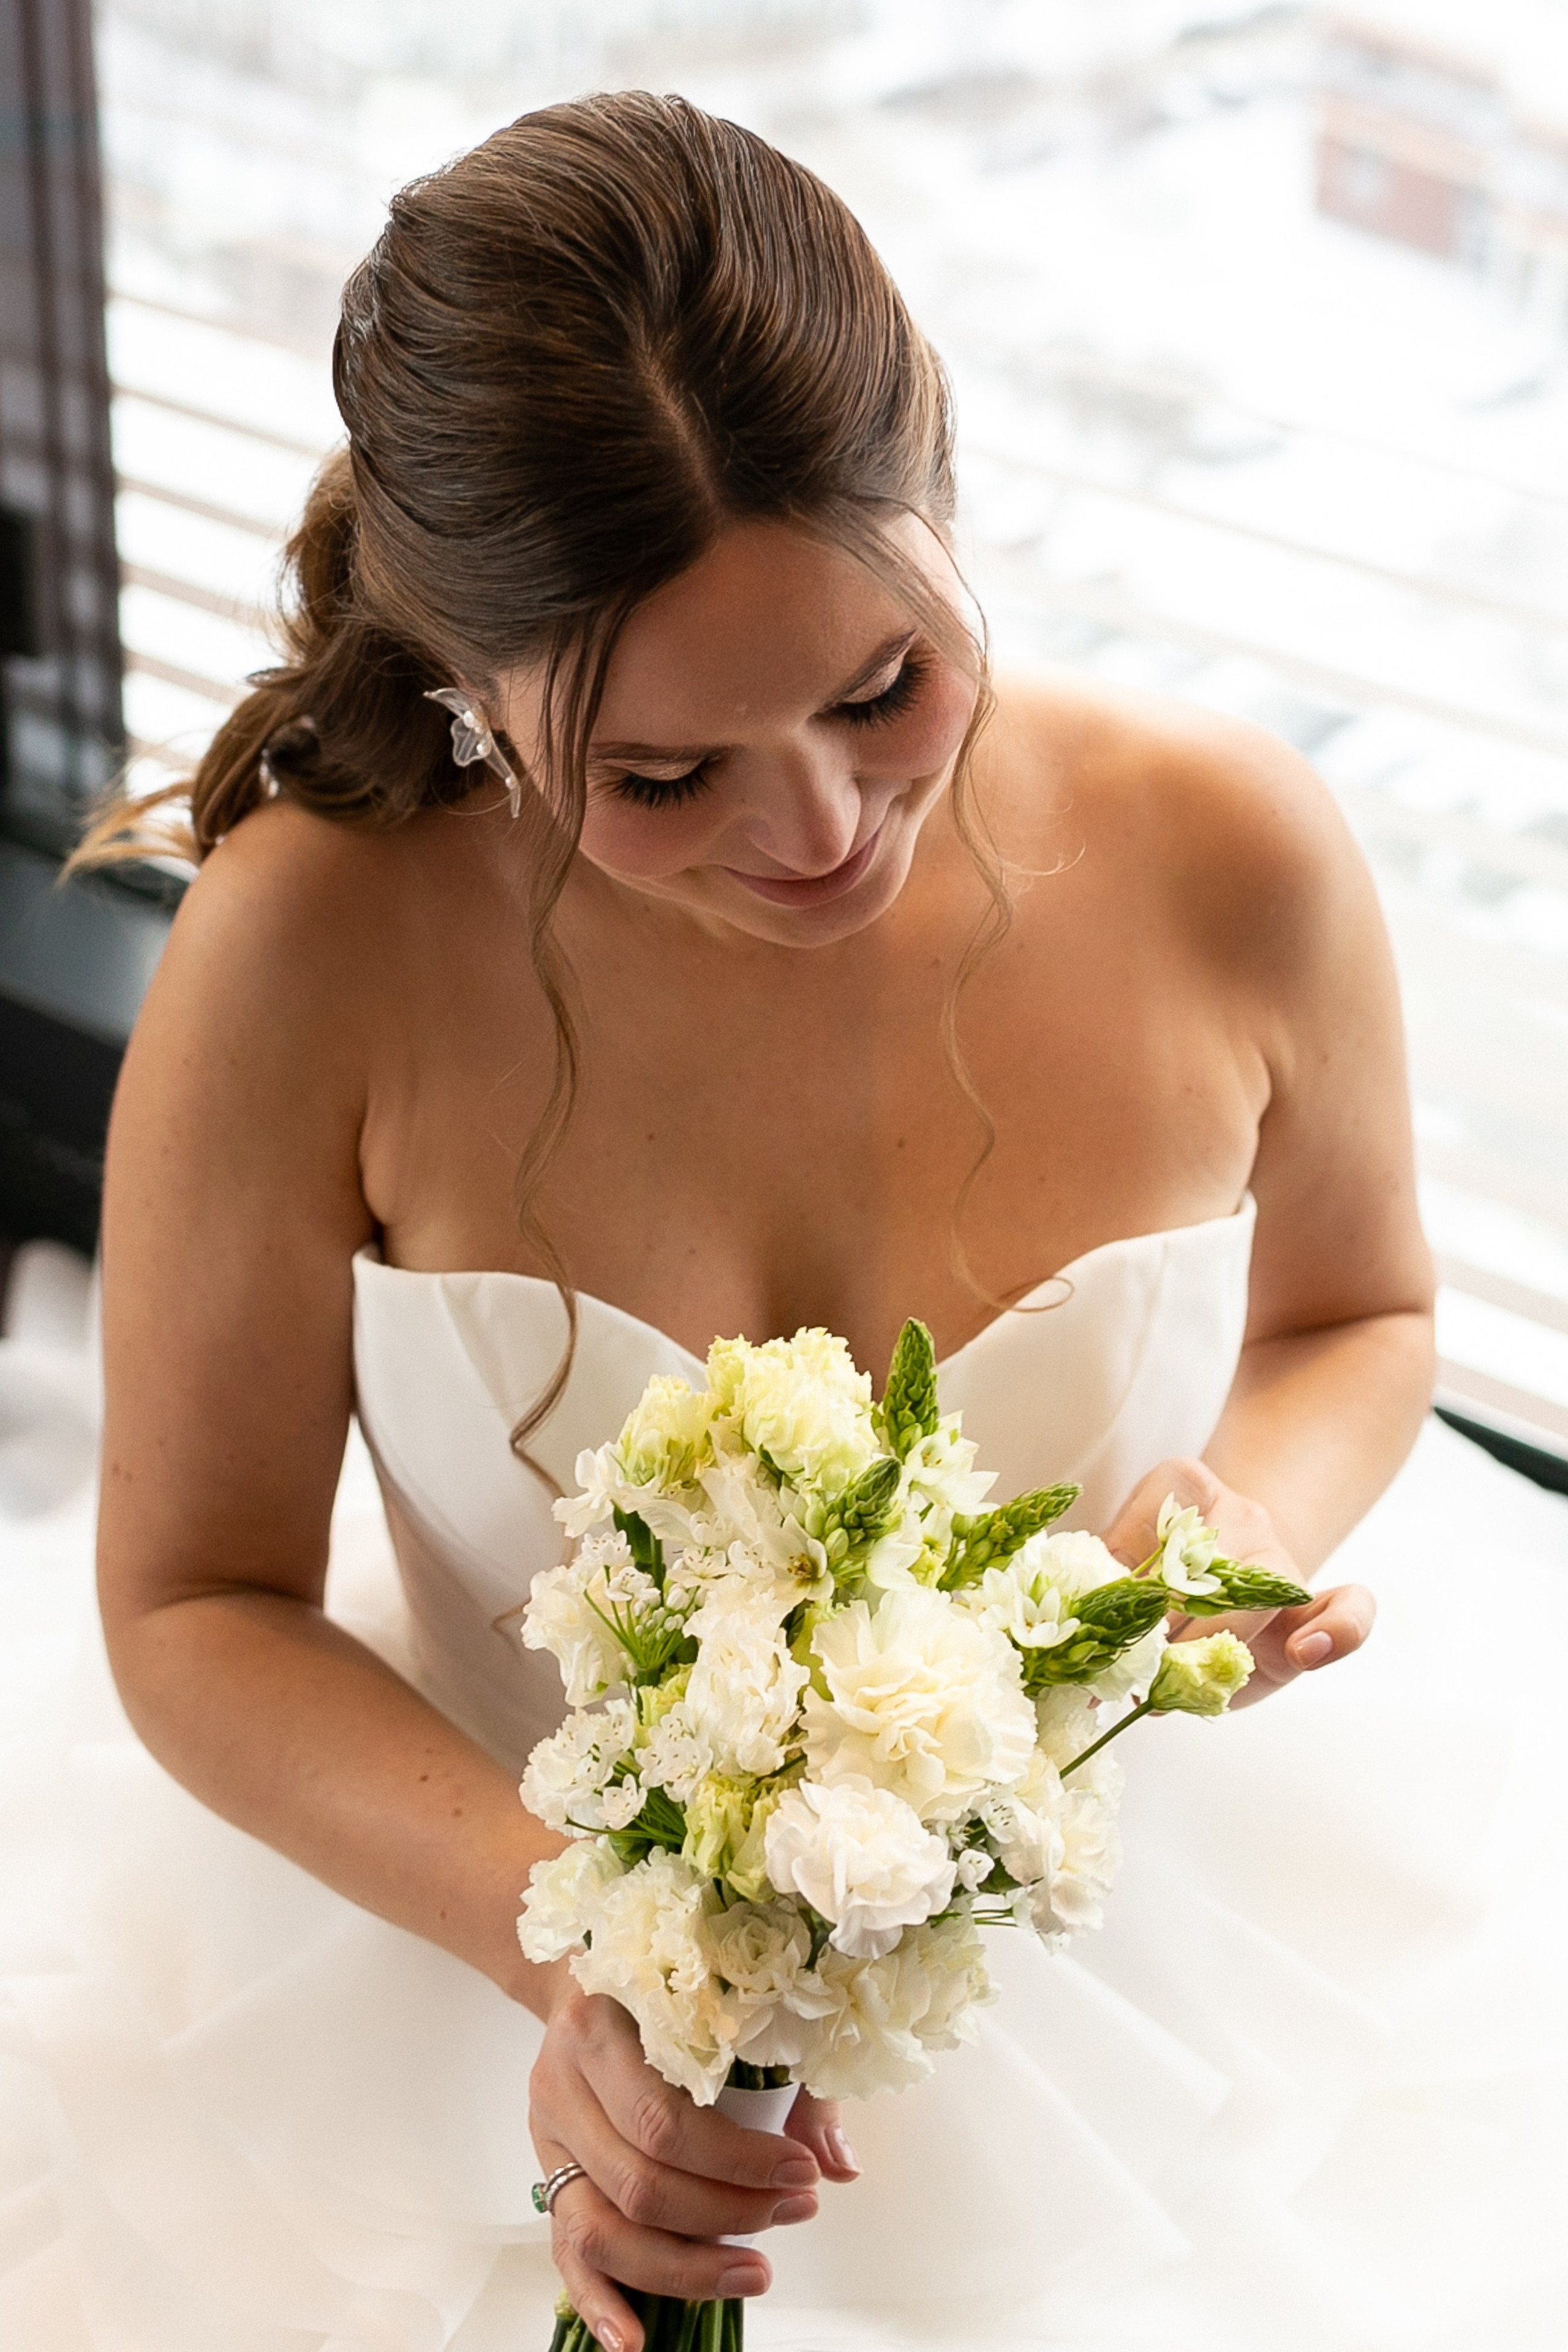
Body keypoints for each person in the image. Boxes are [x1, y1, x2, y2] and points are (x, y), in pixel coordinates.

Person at [4, 88, 1566, 2352]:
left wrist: (1229, 1532)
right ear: (476, 688)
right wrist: (586, 1956)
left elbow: (1366, 1309)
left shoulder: (1239, 851)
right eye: (660, 777)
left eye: (882, 688)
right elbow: (193, 1592)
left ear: (941, 488)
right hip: (459, 1948)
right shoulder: (304, 957)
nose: (825, 828)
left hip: (1187, 1976)